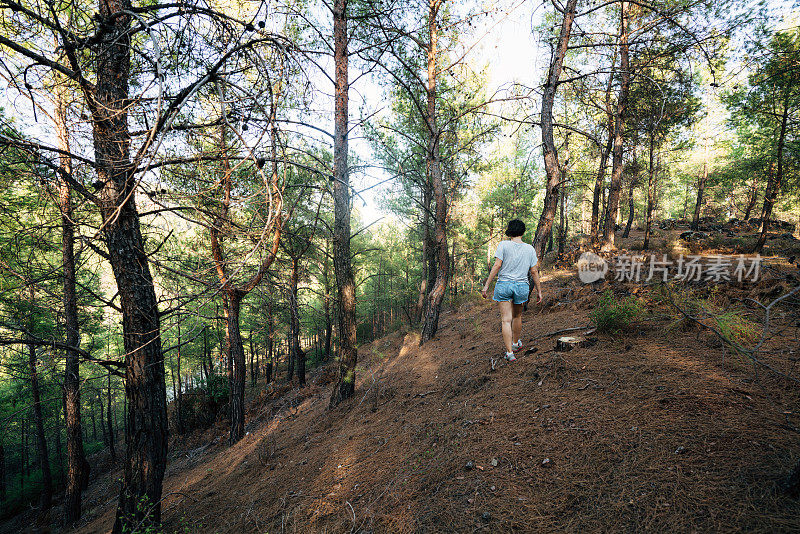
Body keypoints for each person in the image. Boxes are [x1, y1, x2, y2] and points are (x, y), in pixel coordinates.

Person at [481, 219, 542, 362]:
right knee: (517, 317)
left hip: (504, 285)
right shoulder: (529, 249)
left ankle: (509, 353)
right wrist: (539, 291)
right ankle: (515, 344)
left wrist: (486, 285)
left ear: (510, 231)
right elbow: (534, 271)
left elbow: (497, 266)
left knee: (505, 320)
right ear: (522, 231)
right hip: (521, 287)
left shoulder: (503, 245)